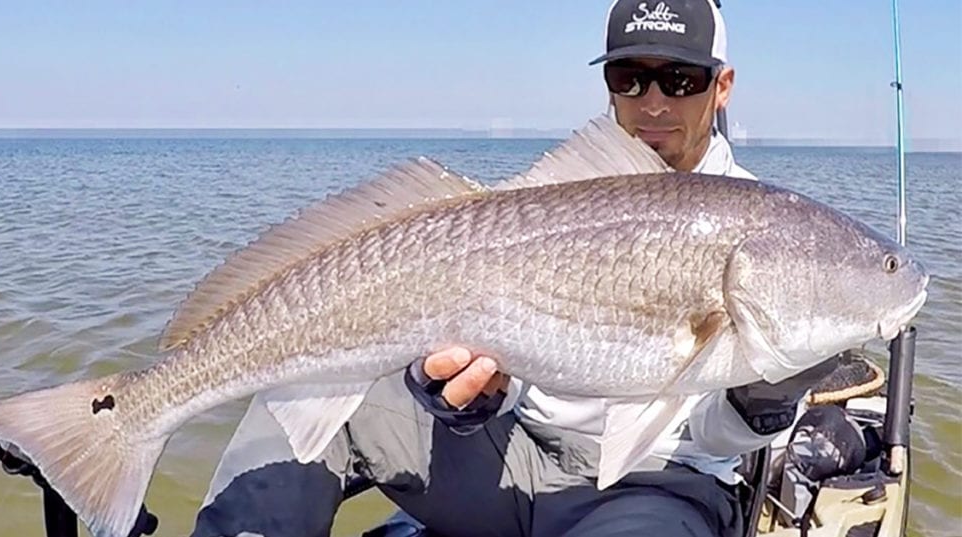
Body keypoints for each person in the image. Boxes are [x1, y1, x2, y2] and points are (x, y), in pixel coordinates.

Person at [191, 1, 834, 536]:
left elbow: (715, 441)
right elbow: (519, 359)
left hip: (656, 489)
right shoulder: (557, 199)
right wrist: (467, 399)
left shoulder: (779, 235)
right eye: (630, 77)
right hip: (508, 459)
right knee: (305, 382)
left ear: (722, 85)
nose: (654, 102)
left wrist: (765, 396)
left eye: (681, 79)